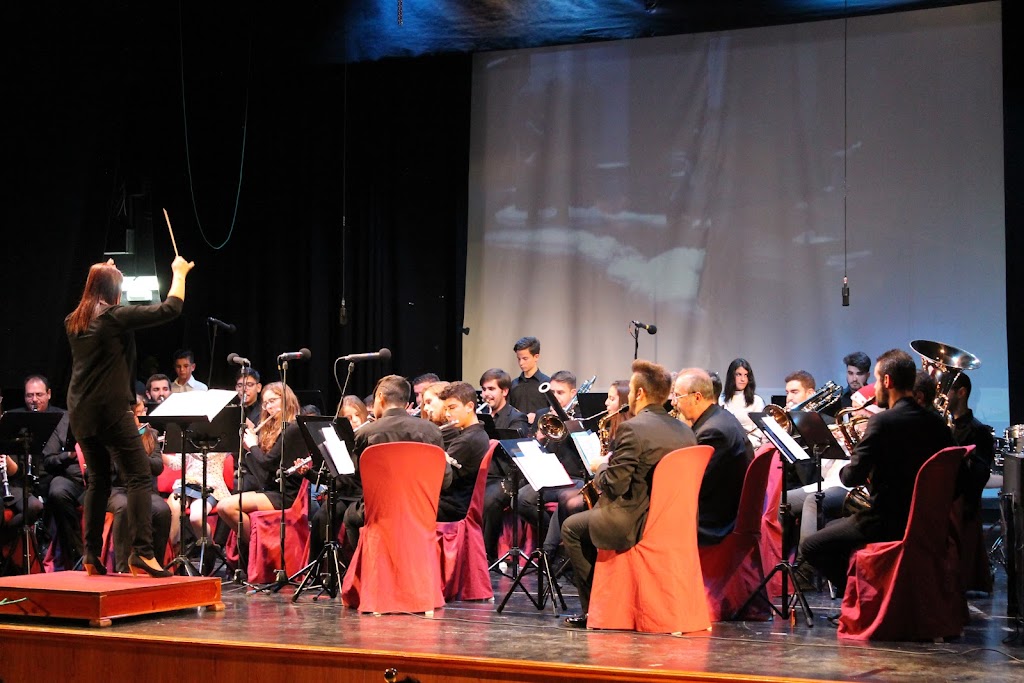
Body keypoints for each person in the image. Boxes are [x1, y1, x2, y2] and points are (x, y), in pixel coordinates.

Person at [65, 255, 194, 577]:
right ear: (113, 291)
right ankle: (143, 553)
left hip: (80, 410)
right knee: (139, 476)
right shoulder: (113, 317)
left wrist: (104, 272)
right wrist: (179, 272)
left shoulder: (75, 321)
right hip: (110, 409)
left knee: (98, 480)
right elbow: (171, 308)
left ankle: (91, 554)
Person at [798, 349, 955, 594]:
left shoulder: (882, 422)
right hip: (926, 523)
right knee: (835, 527)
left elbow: (852, 477)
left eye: (877, 380)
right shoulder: (938, 425)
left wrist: (854, 455)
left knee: (812, 546)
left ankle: (863, 595)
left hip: (885, 521)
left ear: (887, 381)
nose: (874, 389)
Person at [561, 360, 697, 627]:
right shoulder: (685, 430)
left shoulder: (632, 428)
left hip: (634, 521)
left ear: (640, 393)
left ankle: (595, 609)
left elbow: (615, 486)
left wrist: (602, 466)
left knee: (571, 528)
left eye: (632, 390)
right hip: (673, 520)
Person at [335, 375, 445, 554]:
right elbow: (445, 480)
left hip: (380, 508)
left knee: (350, 517)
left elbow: (357, 479)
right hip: (421, 507)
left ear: (380, 398)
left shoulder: (366, 433)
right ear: (406, 402)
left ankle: (367, 565)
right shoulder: (431, 431)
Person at [216, 382, 309, 567]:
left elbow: (267, 463)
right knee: (226, 506)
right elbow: (262, 470)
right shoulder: (273, 428)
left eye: (273, 401)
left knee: (226, 507)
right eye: (265, 403)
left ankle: (261, 549)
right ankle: (258, 549)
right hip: (270, 488)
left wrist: (253, 446)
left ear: (286, 400)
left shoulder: (292, 428)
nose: (268, 407)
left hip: (286, 494)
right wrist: (249, 449)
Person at [673, 368, 753, 546]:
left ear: (697, 397)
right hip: (725, 509)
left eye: (678, 396)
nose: (673, 402)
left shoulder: (712, 432)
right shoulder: (721, 417)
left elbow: (694, 486)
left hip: (714, 523)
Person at [10, 375, 78, 569]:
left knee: (58, 492)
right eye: (29, 395)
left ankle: (62, 555)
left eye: (39, 394)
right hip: (22, 478)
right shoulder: (15, 418)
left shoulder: (63, 417)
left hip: (53, 474)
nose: (34, 400)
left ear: (49, 394)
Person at [108, 397, 171, 574]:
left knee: (162, 510)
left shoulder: (150, 434)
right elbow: (114, 470)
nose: (143, 416)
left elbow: (157, 466)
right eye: (138, 413)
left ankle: (154, 563)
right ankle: (122, 568)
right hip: (117, 490)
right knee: (124, 507)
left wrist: (136, 451)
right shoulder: (112, 436)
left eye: (143, 411)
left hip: (143, 490)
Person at [436, 382, 490, 522]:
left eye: (452, 408)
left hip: (452, 506)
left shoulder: (467, 440)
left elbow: (441, 479)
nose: (447, 414)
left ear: (469, 407)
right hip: (455, 501)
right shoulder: (478, 433)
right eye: (445, 409)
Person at [946, 374, 994, 518]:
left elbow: (978, 477)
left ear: (961, 392)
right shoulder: (947, 427)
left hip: (963, 513)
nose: (941, 397)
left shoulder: (979, 431)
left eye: (946, 391)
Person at [719, 358, 765, 445]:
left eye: (746, 375)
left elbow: (759, 431)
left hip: (750, 446)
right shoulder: (721, 399)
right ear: (731, 376)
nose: (743, 379)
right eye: (739, 375)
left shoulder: (757, 401)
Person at [507, 336, 550, 422]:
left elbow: (553, 410)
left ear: (536, 357)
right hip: (517, 427)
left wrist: (537, 416)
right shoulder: (513, 384)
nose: (521, 363)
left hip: (540, 428)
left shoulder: (547, 384)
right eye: (519, 359)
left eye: (525, 359)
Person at [479, 368, 528, 434]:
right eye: (484, 389)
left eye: (491, 389)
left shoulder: (517, 418)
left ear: (505, 391)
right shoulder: (478, 415)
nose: (486, 394)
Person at [824, 351, 871, 416]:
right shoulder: (837, 398)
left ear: (868, 375)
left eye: (859, 374)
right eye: (850, 373)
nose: (854, 379)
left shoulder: (877, 399)